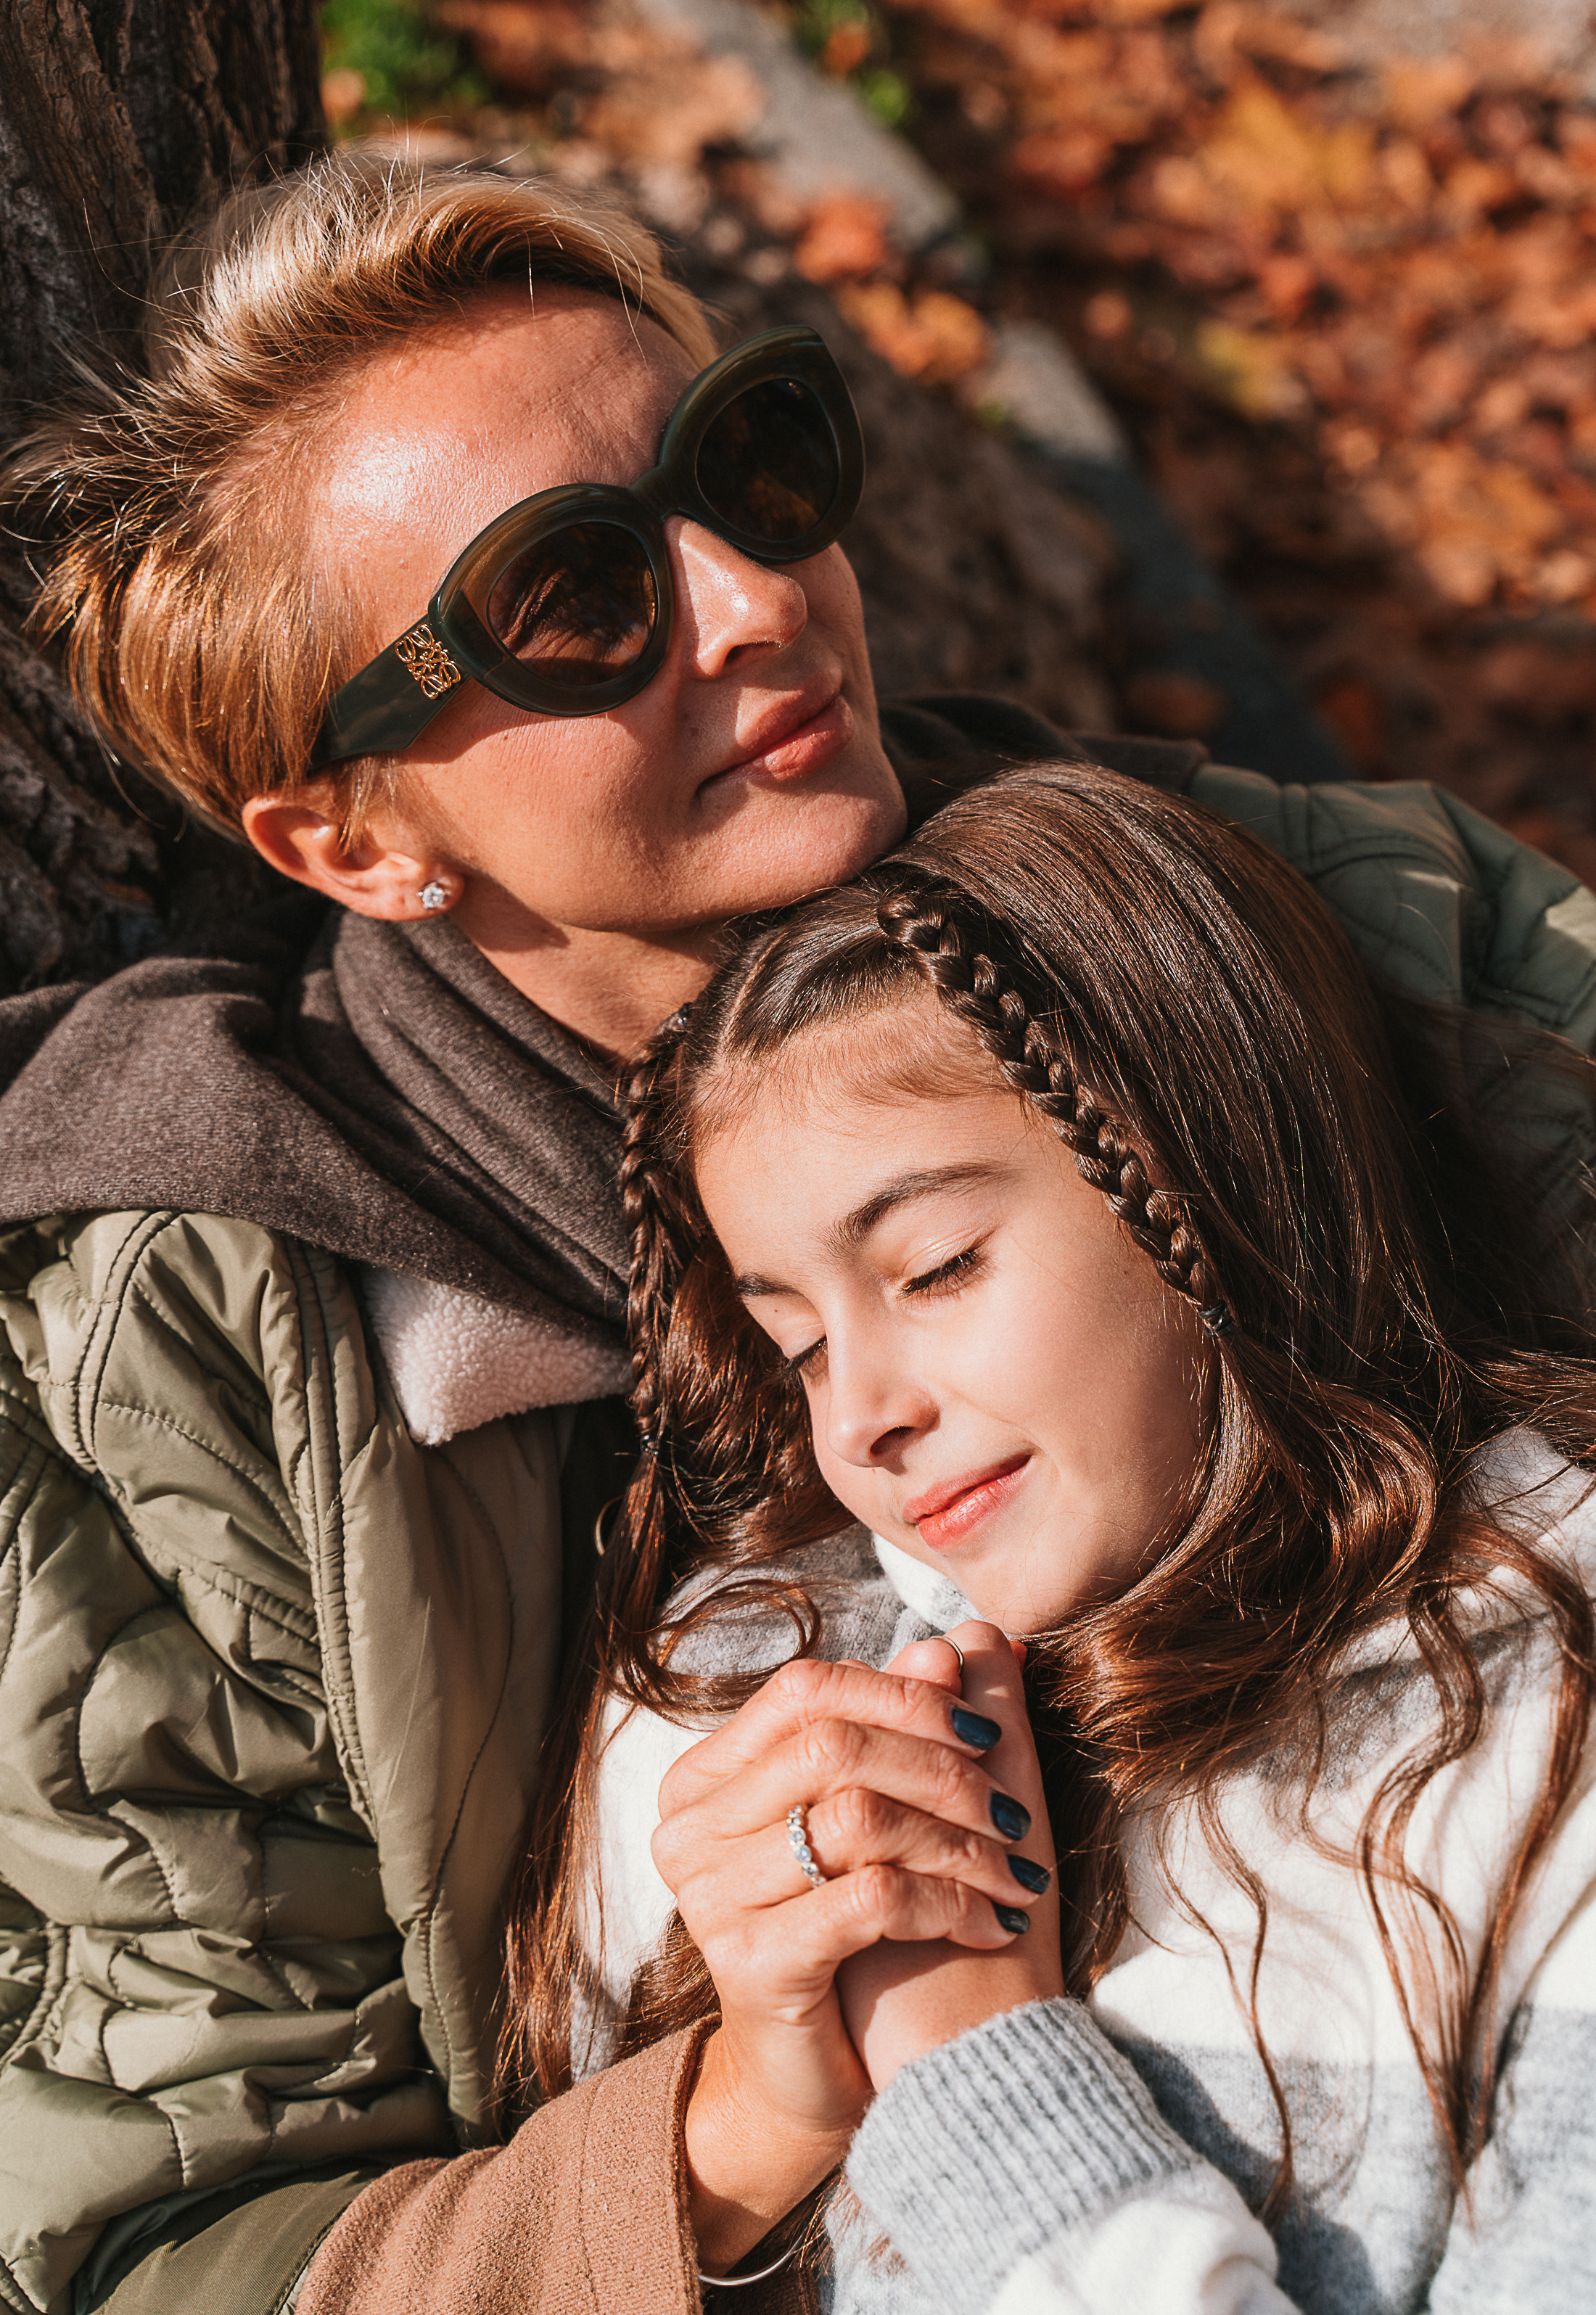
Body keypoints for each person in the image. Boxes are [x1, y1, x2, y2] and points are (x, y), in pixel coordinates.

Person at [0, 147, 1592, 2314]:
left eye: (749, 465)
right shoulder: (198, 1376)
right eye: (572, 601)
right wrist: (745, 2118)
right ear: (349, 836)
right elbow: (163, 2255)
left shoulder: (1336, 941)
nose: (758, 599)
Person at [424, 758, 1591, 2315]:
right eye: (798, 1347)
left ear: (1212, 1162)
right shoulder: (753, 1710)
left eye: (935, 1266)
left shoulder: (1541, 1747)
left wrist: (979, 2077)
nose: (860, 1421)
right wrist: (734, 2135)